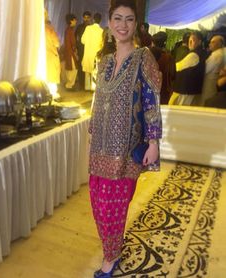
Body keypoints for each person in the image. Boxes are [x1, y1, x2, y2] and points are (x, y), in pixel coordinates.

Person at [88, 0, 162, 277]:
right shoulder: (104, 61)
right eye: (117, 18)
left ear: (136, 24)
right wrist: (92, 132)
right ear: (109, 23)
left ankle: (111, 257)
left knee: (113, 208)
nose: (122, 25)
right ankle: (112, 247)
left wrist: (153, 142)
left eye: (129, 19)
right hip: (99, 146)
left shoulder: (144, 57)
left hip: (126, 147)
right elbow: (99, 100)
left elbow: (151, 102)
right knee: (97, 204)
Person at [169, 31, 206, 106]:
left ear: (199, 42)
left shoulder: (194, 55)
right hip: (191, 91)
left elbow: (177, 67)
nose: (190, 42)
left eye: (193, 40)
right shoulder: (201, 53)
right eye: (189, 40)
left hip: (185, 92)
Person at [150, 31, 176, 104]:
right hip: (163, 92)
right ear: (164, 43)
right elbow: (173, 75)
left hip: (148, 91)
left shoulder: (146, 55)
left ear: (153, 43)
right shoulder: (168, 58)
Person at [200, 35, 225, 105]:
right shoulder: (222, 53)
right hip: (215, 83)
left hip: (210, 84)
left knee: (206, 103)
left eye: (213, 42)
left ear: (220, 44)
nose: (209, 44)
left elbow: (205, 69)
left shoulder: (216, 55)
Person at [81, 13, 103, 91]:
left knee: (87, 72)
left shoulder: (88, 28)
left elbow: (82, 40)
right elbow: (102, 44)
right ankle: (93, 88)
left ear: (93, 19)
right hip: (96, 55)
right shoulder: (101, 31)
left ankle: (86, 87)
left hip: (87, 54)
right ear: (100, 21)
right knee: (95, 72)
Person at [44, 9, 61, 100]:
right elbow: (57, 43)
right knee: (52, 75)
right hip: (50, 54)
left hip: (41, 55)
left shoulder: (35, 28)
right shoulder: (49, 28)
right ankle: (53, 93)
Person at [75, 11, 92, 90]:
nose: (86, 19)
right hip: (81, 50)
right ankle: (82, 84)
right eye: (85, 17)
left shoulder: (92, 28)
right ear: (82, 18)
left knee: (90, 69)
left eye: (87, 18)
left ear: (90, 18)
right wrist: (76, 49)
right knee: (81, 67)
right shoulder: (79, 27)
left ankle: (88, 86)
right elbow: (76, 38)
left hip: (89, 51)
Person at [64, 13, 78, 90]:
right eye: (75, 20)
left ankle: (69, 85)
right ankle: (69, 85)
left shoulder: (67, 30)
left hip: (68, 52)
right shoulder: (70, 30)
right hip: (71, 53)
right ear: (71, 21)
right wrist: (75, 52)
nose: (76, 21)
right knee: (73, 69)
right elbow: (73, 43)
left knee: (71, 69)